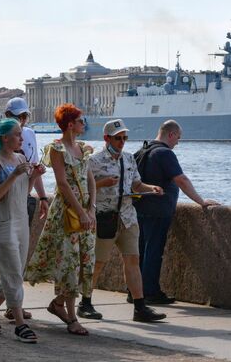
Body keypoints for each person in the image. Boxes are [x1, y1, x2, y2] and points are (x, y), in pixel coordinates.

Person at [0, 97, 49, 321]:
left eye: (24, 117)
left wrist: (39, 188)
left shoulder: (25, 145)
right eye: (17, 118)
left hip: (21, 211)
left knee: (15, 270)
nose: (22, 123)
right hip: (2, 216)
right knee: (10, 268)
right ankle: (18, 318)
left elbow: (24, 187)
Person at [79, 119, 167, 322]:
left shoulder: (128, 159)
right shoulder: (93, 161)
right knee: (98, 262)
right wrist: (103, 183)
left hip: (127, 217)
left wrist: (150, 188)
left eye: (124, 138)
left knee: (133, 260)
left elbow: (136, 184)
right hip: (104, 217)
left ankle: (140, 307)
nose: (122, 142)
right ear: (106, 138)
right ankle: (85, 302)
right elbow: (83, 189)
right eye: (118, 138)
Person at [26, 103, 96, 336]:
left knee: (84, 261)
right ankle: (72, 318)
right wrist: (81, 211)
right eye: (80, 121)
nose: (83, 124)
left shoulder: (84, 148)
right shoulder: (56, 149)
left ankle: (58, 304)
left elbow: (90, 178)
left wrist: (92, 208)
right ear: (70, 125)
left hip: (85, 210)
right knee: (69, 263)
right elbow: (63, 184)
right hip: (66, 211)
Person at [135, 120, 220, 304]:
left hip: (139, 209)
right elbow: (181, 179)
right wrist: (201, 201)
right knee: (153, 252)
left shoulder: (142, 151)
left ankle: (134, 292)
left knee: (140, 251)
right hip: (158, 211)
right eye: (178, 138)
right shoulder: (164, 153)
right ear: (171, 134)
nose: (178, 143)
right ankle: (150, 292)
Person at [0, 118, 45, 343]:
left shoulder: (21, 158)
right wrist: (15, 174)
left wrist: (35, 176)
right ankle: (19, 324)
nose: (22, 138)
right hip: (4, 223)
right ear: (4, 138)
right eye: (17, 134)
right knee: (13, 274)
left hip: (21, 222)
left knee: (13, 272)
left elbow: (23, 193)